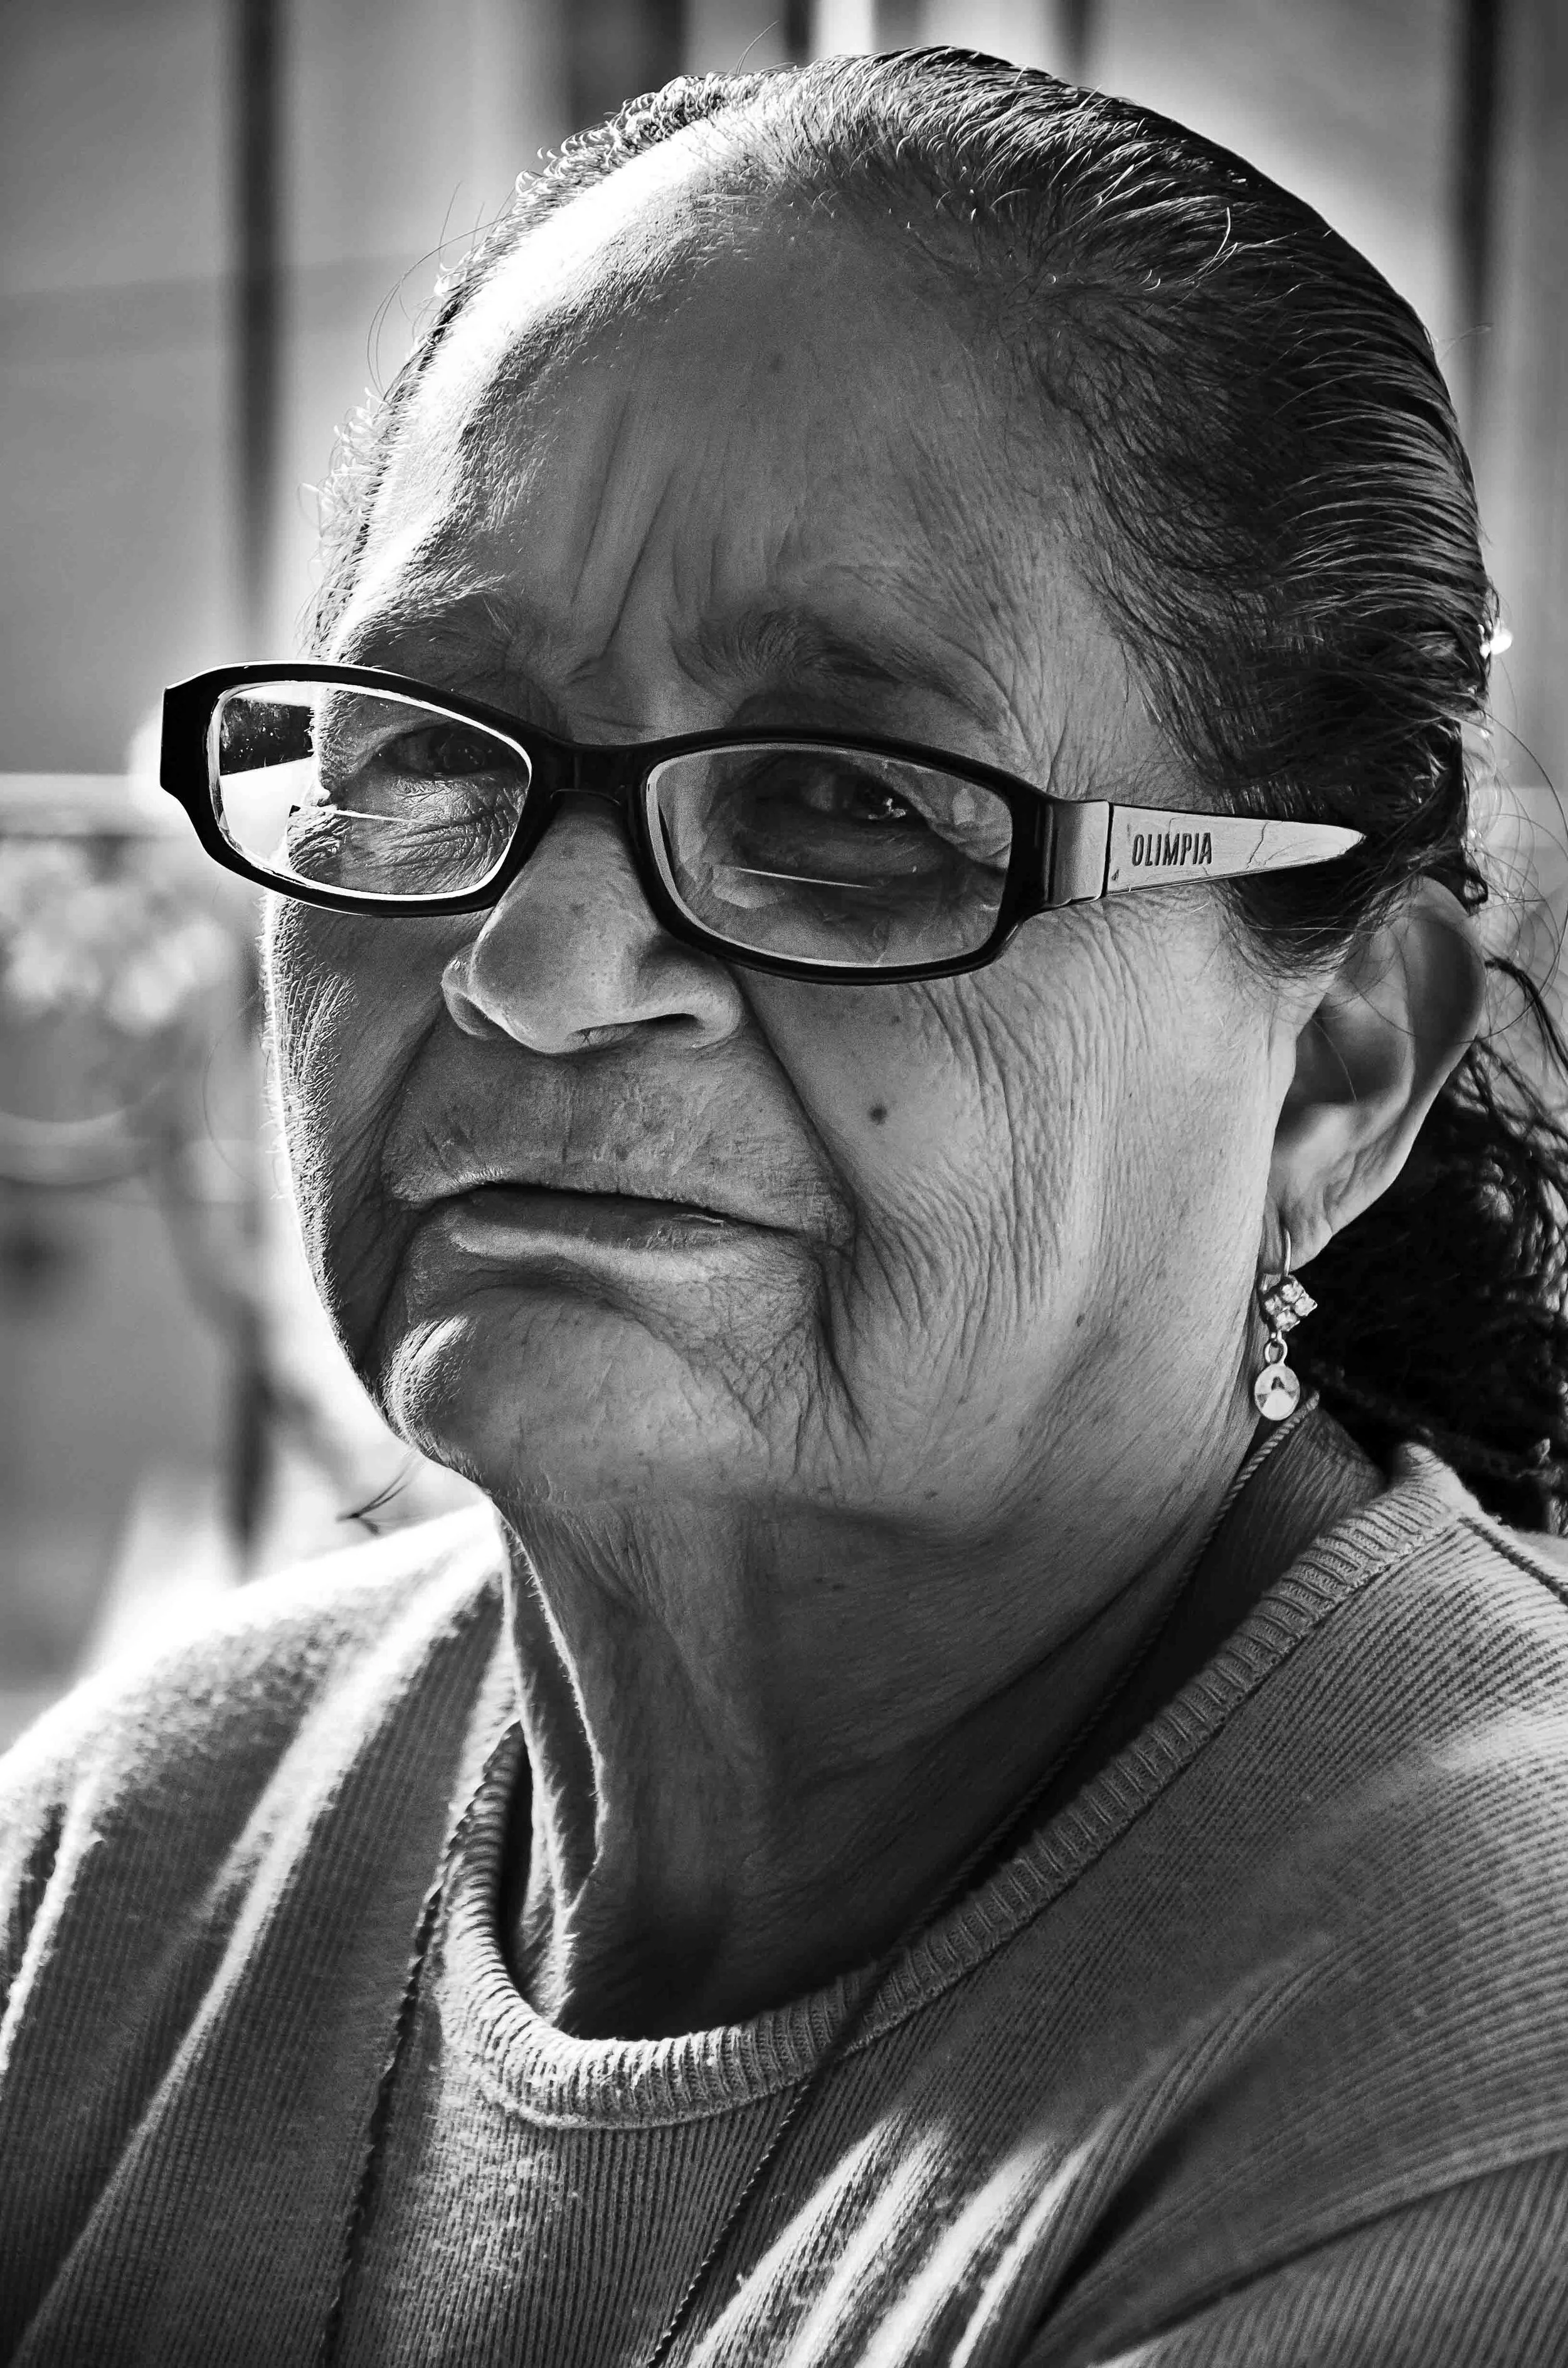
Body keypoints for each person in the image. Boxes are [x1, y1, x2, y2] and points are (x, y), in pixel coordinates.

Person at [6, 46, 1568, 2366]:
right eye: (429, 754)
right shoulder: (148, 1836)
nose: (530, 975)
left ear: (1333, 1063)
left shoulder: (1475, 2086)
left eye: (850, 804)